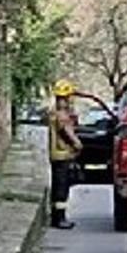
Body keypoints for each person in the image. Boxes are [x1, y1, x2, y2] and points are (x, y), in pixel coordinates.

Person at [47, 80, 82, 229]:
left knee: (58, 186)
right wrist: (77, 144)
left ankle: (57, 216)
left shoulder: (54, 112)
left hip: (57, 155)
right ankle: (59, 219)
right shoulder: (61, 115)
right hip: (62, 155)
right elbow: (67, 131)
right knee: (61, 188)